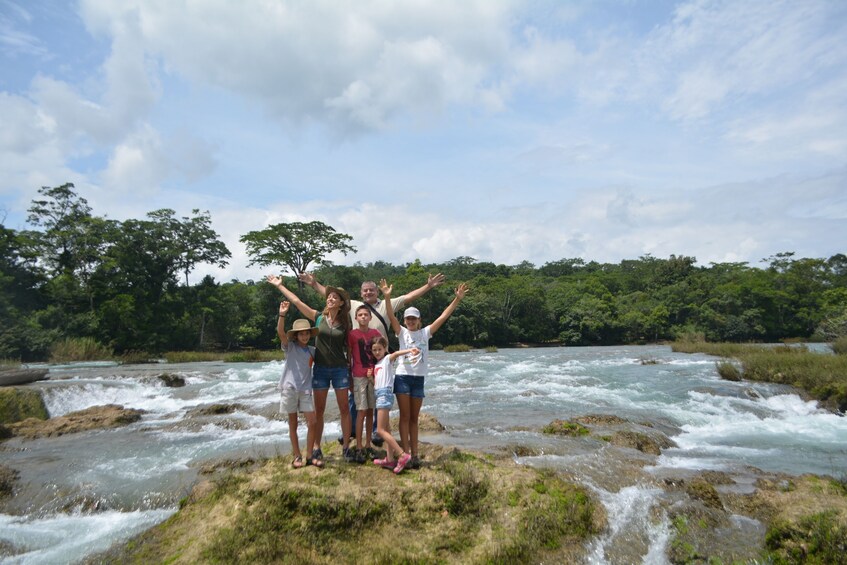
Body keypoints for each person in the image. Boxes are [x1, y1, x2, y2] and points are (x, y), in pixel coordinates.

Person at [298, 272, 446, 446]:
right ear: (361, 293)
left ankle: (377, 431)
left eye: (372, 290)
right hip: (359, 359)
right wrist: (314, 283)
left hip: (380, 357)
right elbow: (332, 297)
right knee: (355, 395)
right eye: (365, 291)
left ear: (377, 292)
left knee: (379, 394)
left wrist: (428, 286)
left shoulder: (385, 304)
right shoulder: (354, 305)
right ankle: (353, 430)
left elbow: (409, 297)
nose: (368, 293)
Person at [267, 274, 353, 466]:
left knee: (345, 409)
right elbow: (297, 301)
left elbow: (350, 349)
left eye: (335, 297)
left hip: (339, 369)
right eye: (329, 296)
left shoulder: (346, 323)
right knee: (319, 412)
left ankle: (346, 447)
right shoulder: (318, 317)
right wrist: (280, 286)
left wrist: (351, 372)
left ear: (341, 303)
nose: (330, 298)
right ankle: (316, 448)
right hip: (321, 369)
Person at [383, 278, 469, 469]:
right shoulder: (402, 332)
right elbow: (390, 315)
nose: (411, 321)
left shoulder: (425, 333)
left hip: (418, 380)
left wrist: (457, 300)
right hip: (403, 377)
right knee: (404, 417)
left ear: (419, 320)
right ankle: (404, 454)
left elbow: (443, 317)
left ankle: (414, 454)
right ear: (405, 321)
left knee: (414, 419)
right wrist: (387, 297)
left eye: (414, 318)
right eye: (408, 319)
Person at [370, 281, 420, 473]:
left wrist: (408, 349)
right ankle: (389, 459)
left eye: (379, 349)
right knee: (386, 429)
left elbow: (397, 354)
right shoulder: (377, 364)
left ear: (385, 349)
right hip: (380, 394)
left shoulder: (388, 358)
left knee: (381, 430)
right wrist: (369, 377)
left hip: (384, 395)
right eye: (374, 350)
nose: (376, 352)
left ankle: (402, 455)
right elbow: (377, 381)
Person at [275, 301, 318, 469]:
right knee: (293, 424)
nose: (304, 336)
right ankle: (297, 455)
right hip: (289, 389)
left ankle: (309, 454)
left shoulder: (312, 351)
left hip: (306, 390)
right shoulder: (290, 347)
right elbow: (280, 332)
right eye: (301, 334)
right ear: (296, 335)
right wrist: (282, 314)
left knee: (312, 422)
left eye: (307, 334)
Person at [347, 305, 382, 462]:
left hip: (373, 376)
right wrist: (349, 378)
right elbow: (349, 357)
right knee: (361, 412)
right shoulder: (352, 335)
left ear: (370, 317)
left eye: (365, 315)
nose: (363, 317)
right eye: (360, 315)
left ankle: (368, 444)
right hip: (359, 377)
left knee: (370, 411)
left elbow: (381, 353)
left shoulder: (375, 333)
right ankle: (359, 446)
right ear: (356, 318)